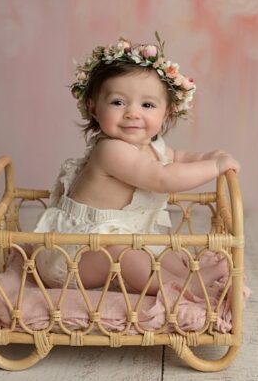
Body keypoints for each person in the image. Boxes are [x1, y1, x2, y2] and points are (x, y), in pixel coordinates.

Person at [33, 36, 240, 295]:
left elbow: (178, 158)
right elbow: (162, 177)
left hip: (116, 239)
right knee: (126, 254)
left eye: (147, 105)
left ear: (166, 113)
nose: (132, 112)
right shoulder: (110, 150)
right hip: (72, 256)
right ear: (94, 107)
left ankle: (187, 274)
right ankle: (181, 288)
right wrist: (215, 167)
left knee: (161, 252)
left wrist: (209, 156)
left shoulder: (152, 145)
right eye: (118, 102)